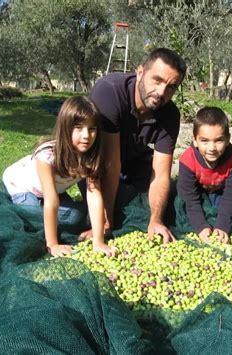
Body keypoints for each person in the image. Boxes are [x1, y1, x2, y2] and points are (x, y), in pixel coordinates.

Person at [89, 48, 186, 244]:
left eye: (171, 87)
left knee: (166, 205)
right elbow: (111, 164)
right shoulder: (109, 92)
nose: (161, 92)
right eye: (157, 80)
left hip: (135, 160)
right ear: (140, 72)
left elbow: (160, 174)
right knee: (96, 213)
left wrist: (156, 220)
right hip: (98, 163)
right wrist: (106, 220)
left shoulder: (170, 114)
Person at [3, 96, 115, 257]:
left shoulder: (90, 157)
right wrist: (53, 244)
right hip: (21, 185)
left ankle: (44, 214)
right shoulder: (47, 155)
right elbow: (51, 199)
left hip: (54, 191)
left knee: (78, 216)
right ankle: (18, 208)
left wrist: (99, 241)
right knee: (34, 217)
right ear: (65, 128)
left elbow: (94, 194)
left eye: (92, 129)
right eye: (78, 128)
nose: (86, 136)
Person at [177, 107, 232, 244]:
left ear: (227, 139)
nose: (212, 148)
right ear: (195, 140)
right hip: (198, 191)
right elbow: (190, 198)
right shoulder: (187, 160)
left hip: (221, 191)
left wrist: (222, 226)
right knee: (182, 205)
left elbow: (231, 196)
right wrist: (200, 226)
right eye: (204, 141)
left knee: (230, 208)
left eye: (219, 140)